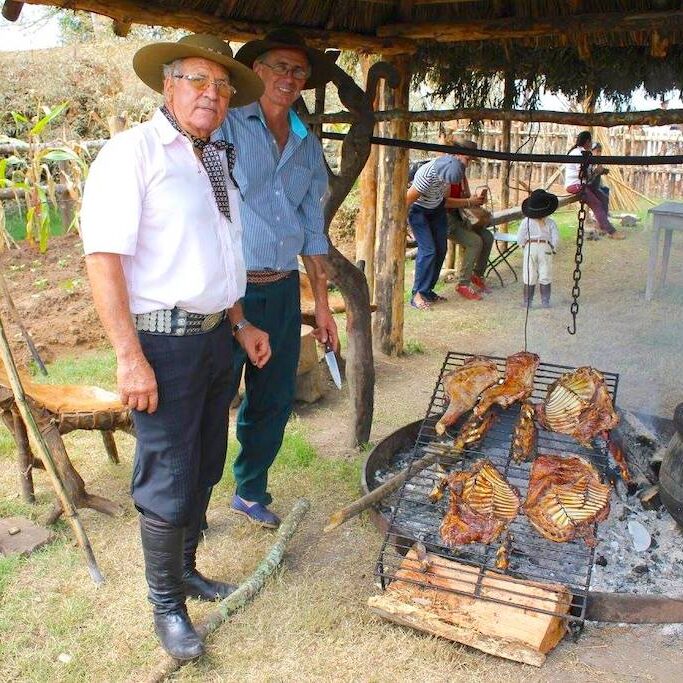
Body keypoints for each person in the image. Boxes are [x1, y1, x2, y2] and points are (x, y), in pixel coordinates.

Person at [80, 34, 271, 661]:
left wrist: (240, 323)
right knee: (167, 473)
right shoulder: (132, 152)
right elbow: (103, 258)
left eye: (221, 87)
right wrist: (129, 356)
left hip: (218, 339)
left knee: (208, 459)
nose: (211, 95)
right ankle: (166, 604)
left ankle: (186, 568)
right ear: (168, 85)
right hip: (161, 343)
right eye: (197, 80)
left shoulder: (214, 156)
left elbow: (223, 254)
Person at [220, 29, 339, 529]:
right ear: (257, 71)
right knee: (214, 393)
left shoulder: (307, 145)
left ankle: (249, 490)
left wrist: (325, 307)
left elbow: (313, 228)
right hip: (226, 289)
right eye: (279, 67)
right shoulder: (225, 124)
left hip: (282, 287)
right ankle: (189, 502)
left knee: (272, 396)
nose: (289, 78)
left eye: (298, 71)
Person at [406, 138, 486, 309]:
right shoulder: (426, 175)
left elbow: (443, 200)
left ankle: (427, 291)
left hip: (436, 210)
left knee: (440, 250)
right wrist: (403, 226)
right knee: (428, 251)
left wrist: (470, 201)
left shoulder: (451, 173)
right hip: (418, 211)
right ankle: (417, 295)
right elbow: (407, 201)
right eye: (468, 159)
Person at [443, 137, 495, 300]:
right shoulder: (446, 171)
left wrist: (475, 199)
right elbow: (444, 202)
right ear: (457, 155)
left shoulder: (460, 173)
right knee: (475, 241)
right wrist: (468, 201)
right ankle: (463, 283)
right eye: (468, 158)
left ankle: (477, 275)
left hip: (458, 216)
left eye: (471, 160)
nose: (469, 163)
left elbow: (464, 197)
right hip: (445, 220)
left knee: (487, 236)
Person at [564, 131, 624, 239]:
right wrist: (596, 172)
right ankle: (611, 232)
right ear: (587, 141)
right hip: (575, 185)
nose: (591, 144)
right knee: (596, 204)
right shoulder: (579, 153)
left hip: (583, 184)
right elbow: (582, 174)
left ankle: (601, 225)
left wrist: (596, 171)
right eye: (590, 141)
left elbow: (586, 175)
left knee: (603, 197)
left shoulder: (583, 152)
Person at [517, 189, 560, 308]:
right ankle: (545, 302)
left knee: (529, 273)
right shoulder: (550, 222)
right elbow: (556, 238)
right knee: (545, 273)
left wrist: (523, 246)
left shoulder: (525, 222)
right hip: (545, 247)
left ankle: (527, 302)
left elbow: (520, 237)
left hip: (530, 247)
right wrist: (553, 248)